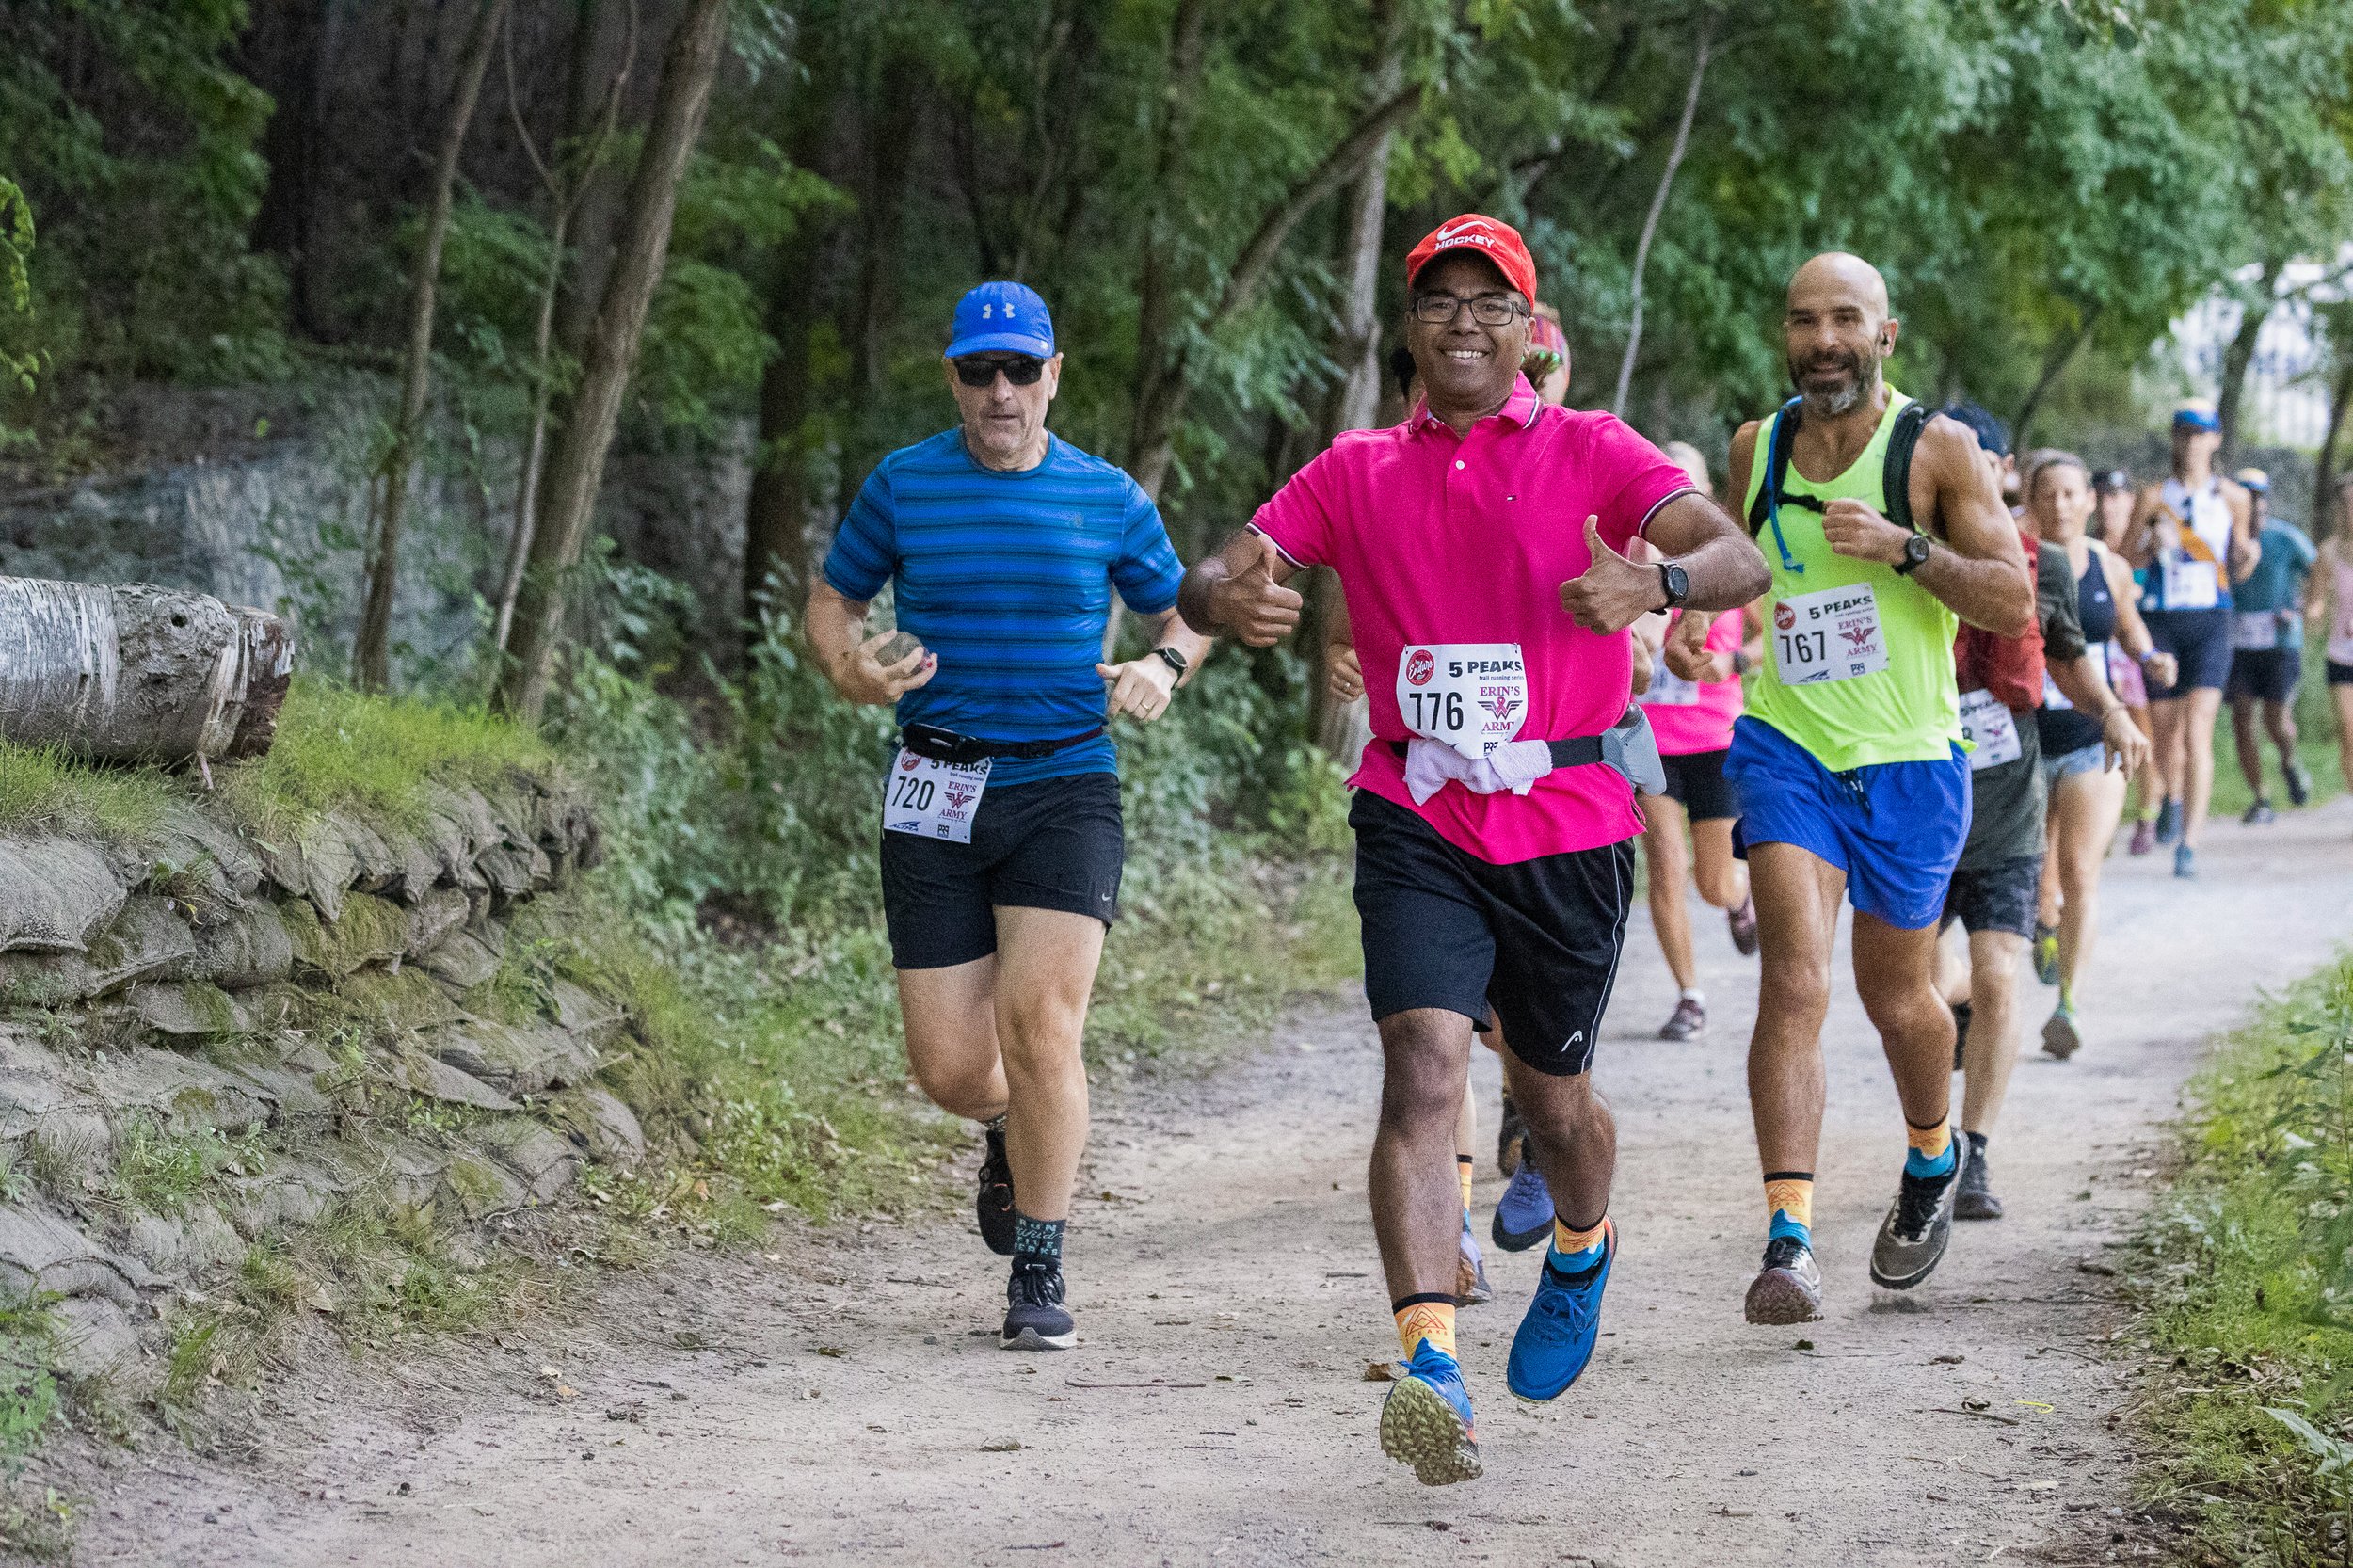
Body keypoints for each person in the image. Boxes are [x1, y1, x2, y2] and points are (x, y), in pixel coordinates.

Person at [1179, 215, 1769, 1485]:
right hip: (1417, 809)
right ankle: (1431, 1362)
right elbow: (1226, 566)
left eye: (1488, 302)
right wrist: (1214, 594)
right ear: (1409, 327)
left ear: (1524, 330)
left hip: (1568, 819)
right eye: (1438, 300)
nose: (1462, 321)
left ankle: (1583, 1243)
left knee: (1555, 1109)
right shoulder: (1353, 467)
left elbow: (1739, 557)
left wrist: (1655, 587)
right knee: (1422, 1068)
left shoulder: (1596, 449)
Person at [808, 281, 1210, 1352]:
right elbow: (833, 600)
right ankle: (1006, 1124)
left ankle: (1039, 1264)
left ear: (1052, 376)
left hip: (1064, 786)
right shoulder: (904, 485)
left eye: (1020, 370)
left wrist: (1164, 666)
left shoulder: (1105, 496)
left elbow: (1185, 610)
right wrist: (851, 671)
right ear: (953, 378)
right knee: (948, 1067)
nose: (1001, 390)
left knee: (1040, 1025)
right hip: (934, 788)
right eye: (980, 370)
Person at [1720, 252, 2034, 1328]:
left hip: (1908, 761)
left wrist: (1907, 549)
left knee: (1896, 998)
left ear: (1883, 335)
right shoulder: (1754, 448)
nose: (1823, 341)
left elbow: (2011, 599)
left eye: (1845, 319)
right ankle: (1788, 1240)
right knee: (1793, 983)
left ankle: (1931, 1154)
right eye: (1804, 320)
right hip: (1786, 747)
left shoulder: (1933, 448)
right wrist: (1679, 618)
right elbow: (1736, 570)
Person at [1932, 434, 2148, 1223]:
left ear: (2001, 472)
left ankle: (1973, 1152)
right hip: (1915, 810)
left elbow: (2068, 656)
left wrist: (2113, 710)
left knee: (2000, 971)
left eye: (1985, 462)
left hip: (2007, 809)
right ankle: (1938, 1100)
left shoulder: (2043, 566)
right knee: (1913, 989)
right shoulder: (1898, 553)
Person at [2028, 455, 2175, 1051]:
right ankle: (2044, 922)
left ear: (2090, 501)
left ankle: (2069, 1007)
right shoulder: (2014, 560)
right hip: (2024, 741)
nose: (2060, 505)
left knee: (2080, 870)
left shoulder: (2108, 566)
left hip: (2094, 735)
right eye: (2049, 494)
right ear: (2031, 502)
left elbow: (2126, 625)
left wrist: (2150, 658)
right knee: (2035, 874)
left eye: (2071, 494)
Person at [1641, 440, 1760, 1041]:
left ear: (1705, 493)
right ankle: (1689, 996)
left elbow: (1773, 634)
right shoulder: (1633, 562)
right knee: (1665, 863)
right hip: (1649, 740)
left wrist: (1735, 660)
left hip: (1714, 737)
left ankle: (1741, 900)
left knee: (1716, 884)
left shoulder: (1729, 564)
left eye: (1683, 482)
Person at [2120, 402, 2260, 877]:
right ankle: (2172, 798)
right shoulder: (2154, 496)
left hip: (2211, 620)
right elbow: (2126, 560)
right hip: (2162, 619)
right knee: (2165, 737)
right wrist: (2149, 545)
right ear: (2174, 438)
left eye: (2200, 434)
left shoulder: (2234, 498)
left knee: (2198, 731)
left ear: (2216, 440)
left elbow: (2238, 566)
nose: (2191, 443)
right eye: (2183, 433)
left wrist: (2248, 557)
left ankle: (2189, 844)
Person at [2223, 468, 2318, 824]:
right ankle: (2260, 797)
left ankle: (2290, 762)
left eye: (2258, 497)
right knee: (2242, 716)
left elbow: (2319, 574)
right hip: (2238, 643)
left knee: (2276, 718)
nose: (2253, 505)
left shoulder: (2286, 537)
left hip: (2280, 641)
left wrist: (2301, 608)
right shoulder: (2222, 540)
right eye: (2245, 497)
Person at [2316, 474, 2353, 802]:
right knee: (2349, 732)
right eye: (2346, 503)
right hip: (2341, 653)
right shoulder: (2328, 552)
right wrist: (2312, 612)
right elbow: (2315, 601)